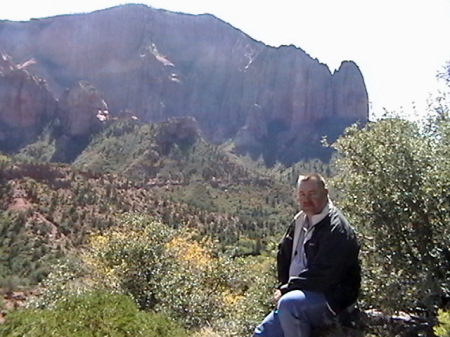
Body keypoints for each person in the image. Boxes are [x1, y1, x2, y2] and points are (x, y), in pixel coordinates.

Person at [252, 173, 361, 337]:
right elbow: (284, 255)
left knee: (289, 305)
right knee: (262, 334)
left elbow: (324, 275)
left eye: (312, 194)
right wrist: (283, 285)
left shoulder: (336, 228)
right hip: (299, 294)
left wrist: (287, 290)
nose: (306, 200)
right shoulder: (300, 220)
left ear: (326, 193)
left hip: (331, 298)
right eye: (302, 194)